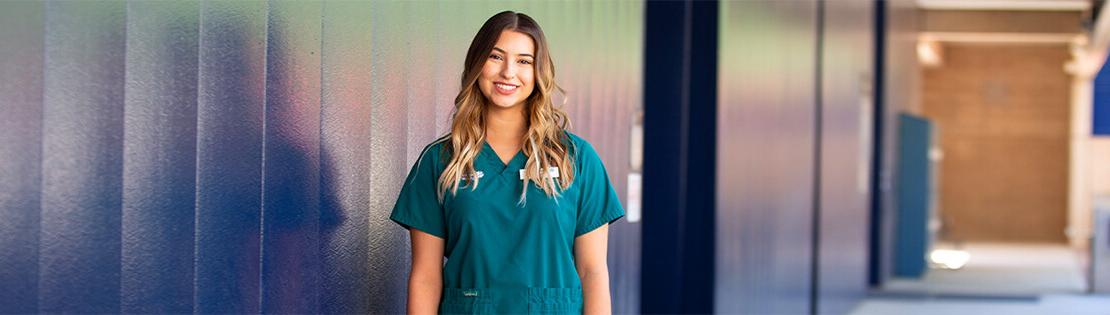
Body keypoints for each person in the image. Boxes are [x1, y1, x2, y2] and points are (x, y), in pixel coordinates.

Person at [389, 10, 625, 315]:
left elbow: (593, 273)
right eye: (496, 57)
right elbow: (425, 278)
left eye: (524, 61)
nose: (508, 73)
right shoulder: (440, 161)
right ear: (477, 64)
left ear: (538, 72)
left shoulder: (577, 160)